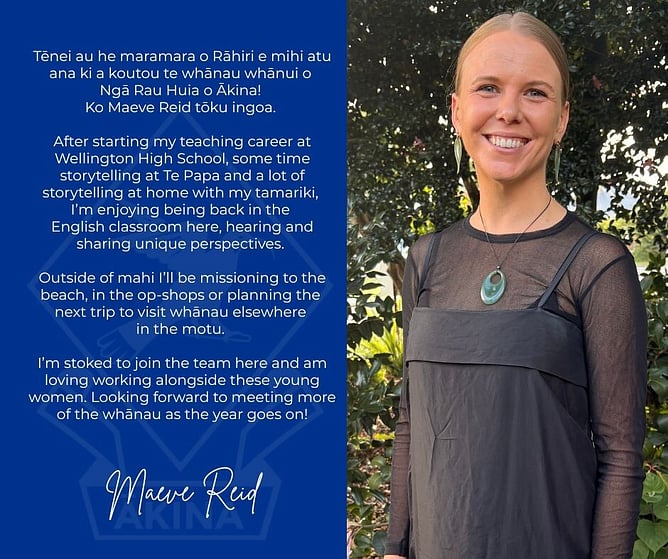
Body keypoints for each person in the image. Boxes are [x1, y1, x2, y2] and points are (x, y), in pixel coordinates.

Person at [383, 11, 647, 559]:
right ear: (456, 109)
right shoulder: (427, 260)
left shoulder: (596, 265)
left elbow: (620, 457)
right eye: (488, 88)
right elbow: (411, 424)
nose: (508, 110)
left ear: (562, 118)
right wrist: (393, 548)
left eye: (535, 92)